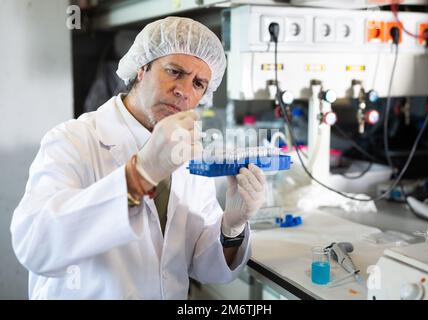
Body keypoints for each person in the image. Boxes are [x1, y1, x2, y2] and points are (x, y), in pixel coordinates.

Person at [10, 17, 266, 299]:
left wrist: (232, 228)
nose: (183, 90)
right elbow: (35, 246)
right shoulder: (74, 140)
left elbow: (204, 267)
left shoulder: (191, 154)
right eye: (174, 71)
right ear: (142, 68)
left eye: (199, 83)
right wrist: (139, 175)